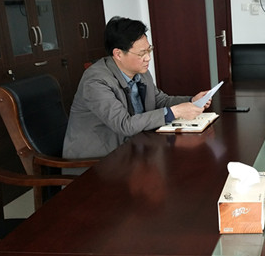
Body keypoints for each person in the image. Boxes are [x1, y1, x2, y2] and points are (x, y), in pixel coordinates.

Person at [63, 16, 211, 159]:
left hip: (133, 148)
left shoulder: (140, 71)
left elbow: (160, 100)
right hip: (97, 161)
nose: (148, 58)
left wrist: (192, 101)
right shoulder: (96, 81)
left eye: (149, 50)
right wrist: (176, 111)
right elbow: (124, 125)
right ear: (118, 54)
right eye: (142, 53)